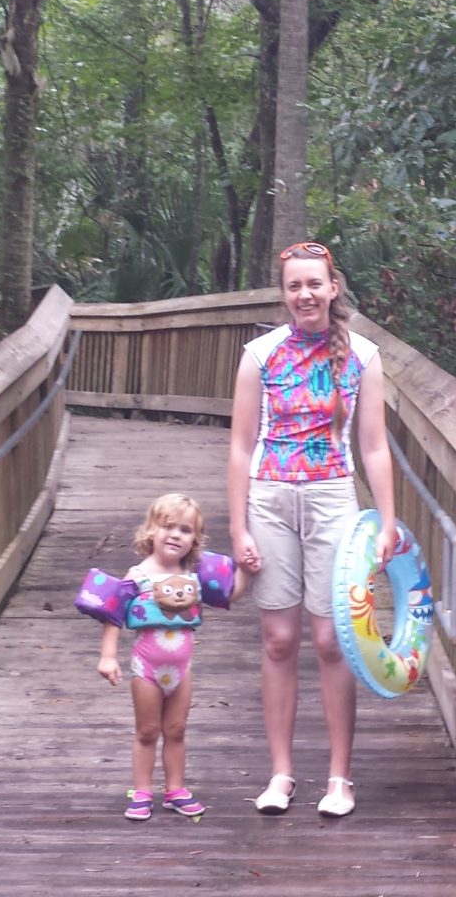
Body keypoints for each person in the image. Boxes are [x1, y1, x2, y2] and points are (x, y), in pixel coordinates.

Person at [227, 241, 398, 818]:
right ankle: (281, 775)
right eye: (294, 286)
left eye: (314, 284)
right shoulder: (260, 354)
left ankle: (340, 778)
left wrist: (388, 522)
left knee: (332, 641)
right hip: (270, 498)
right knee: (278, 640)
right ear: (284, 294)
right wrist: (238, 527)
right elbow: (238, 446)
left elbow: (374, 446)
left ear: (333, 289)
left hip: (333, 499)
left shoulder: (363, 357)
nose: (305, 295)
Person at [80, 493, 245, 821]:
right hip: (147, 667)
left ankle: (175, 790)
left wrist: (249, 572)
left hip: (182, 669)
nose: (175, 535)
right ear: (151, 531)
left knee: (177, 728)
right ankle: (142, 791)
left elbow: (230, 594)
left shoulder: (195, 575)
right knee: (147, 730)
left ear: (194, 540)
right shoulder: (138, 574)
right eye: (168, 526)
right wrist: (108, 657)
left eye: (185, 530)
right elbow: (113, 615)